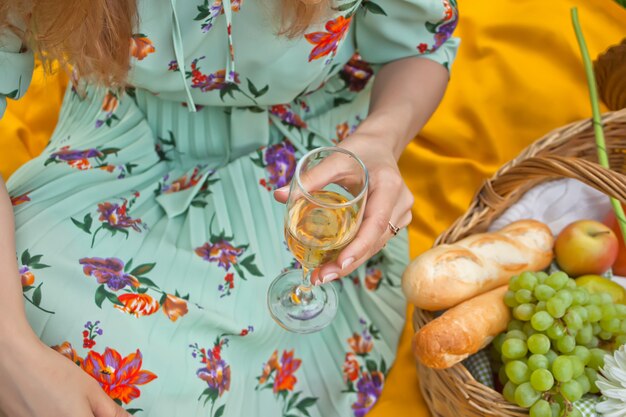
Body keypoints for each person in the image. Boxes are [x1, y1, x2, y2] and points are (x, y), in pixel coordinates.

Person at [0, 0, 458, 415]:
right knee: (38, 322)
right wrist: (11, 350)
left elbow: (418, 43)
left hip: (309, 165)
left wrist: (381, 139)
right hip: (119, 142)